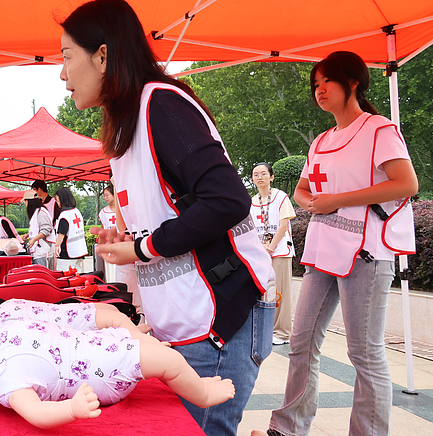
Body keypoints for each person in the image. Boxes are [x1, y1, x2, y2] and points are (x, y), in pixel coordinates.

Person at [58, 1, 274, 434]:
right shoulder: (129, 124)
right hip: (185, 325)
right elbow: (173, 217)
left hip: (216, 322)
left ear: (102, 55)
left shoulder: (161, 104)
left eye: (66, 57)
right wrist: (131, 240)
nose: (62, 75)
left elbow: (228, 200)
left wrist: (142, 246)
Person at [256, 51, 418, 436]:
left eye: (327, 81)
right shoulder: (322, 140)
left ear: (354, 83)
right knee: (301, 341)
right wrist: (311, 202)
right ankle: (288, 427)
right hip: (323, 250)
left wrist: (337, 200)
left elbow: (406, 184)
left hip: (366, 254)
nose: (320, 90)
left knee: (364, 353)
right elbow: (302, 189)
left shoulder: (379, 129)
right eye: (315, 84)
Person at [0, 295, 235, 430]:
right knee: (168, 360)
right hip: (105, 371)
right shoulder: (5, 381)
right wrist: (72, 410)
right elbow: (37, 414)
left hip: (96, 346)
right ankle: (201, 393)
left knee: (150, 347)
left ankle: (146, 346)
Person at [249, 163, 297, 346]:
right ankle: (268, 329)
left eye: (263, 174)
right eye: (256, 175)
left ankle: (283, 333)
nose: (259, 177)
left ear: (271, 177)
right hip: (262, 253)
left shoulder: (280, 197)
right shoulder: (252, 202)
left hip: (280, 251)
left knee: (281, 292)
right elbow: (251, 229)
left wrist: (271, 246)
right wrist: (262, 247)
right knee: (264, 292)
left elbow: (283, 225)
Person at [53, 187, 88, 272]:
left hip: (68, 253)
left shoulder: (64, 214)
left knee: (66, 279)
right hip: (80, 250)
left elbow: (62, 232)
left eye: (57, 199)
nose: (56, 202)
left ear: (62, 199)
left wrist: (57, 245)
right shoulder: (76, 211)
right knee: (78, 277)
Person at [24, 191, 53, 267]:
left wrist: (33, 240)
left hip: (43, 251)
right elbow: (38, 229)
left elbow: (46, 230)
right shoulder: (37, 212)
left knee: (43, 274)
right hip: (38, 251)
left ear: (29, 201)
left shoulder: (41, 212)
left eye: (25, 201)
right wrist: (28, 235)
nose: (24, 203)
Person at [97, 184, 118, 281]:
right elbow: (102, 230)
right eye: (104, 195)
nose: (105, 197)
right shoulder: (103, 212)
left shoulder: (122, 210)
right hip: (109, 245)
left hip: (122, 244)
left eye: (107, 195)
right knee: (111, 272)